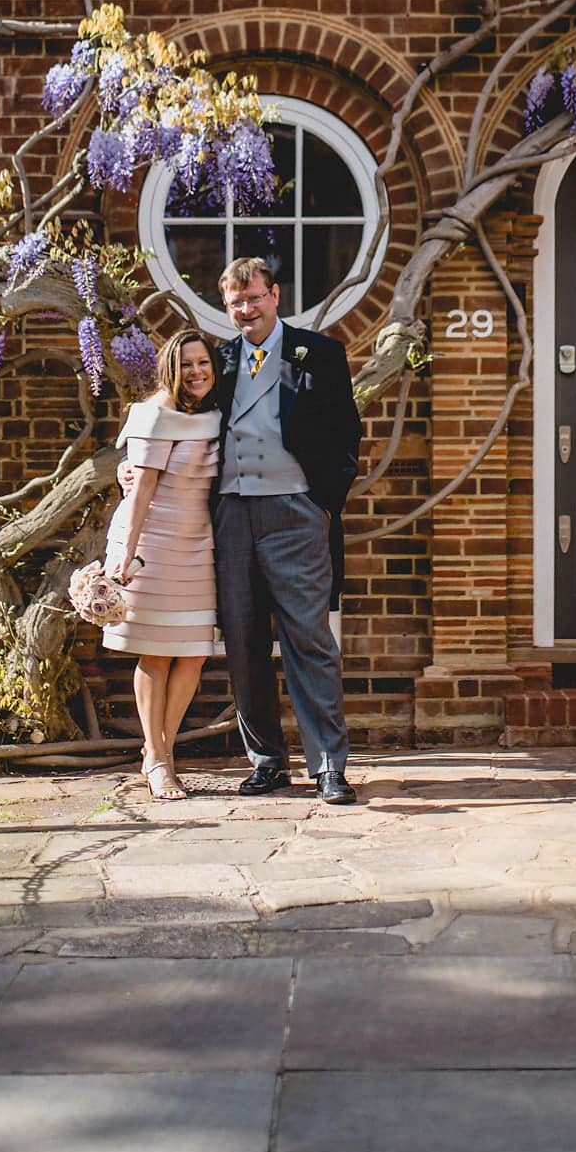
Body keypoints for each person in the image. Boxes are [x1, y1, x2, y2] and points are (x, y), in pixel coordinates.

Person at [212, 256, 363, 805]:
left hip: (295, 511)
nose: (246, 310)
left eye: (253, 298)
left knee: (308, 638)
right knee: (243, 640)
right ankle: (267, 761)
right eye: (235, 304)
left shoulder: (318, 353)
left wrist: (324, 504)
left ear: (274, 295)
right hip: (231, 512)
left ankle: (328, 765)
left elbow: (348, 431)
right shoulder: (219, 360)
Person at [105, 327, 220, 801]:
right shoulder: (156, 415)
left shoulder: (213, 413)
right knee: (154, 651)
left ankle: (160, 751)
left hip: (196, 544)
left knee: (193, 652)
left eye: (203, 363)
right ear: (170, 369)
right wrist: (126, 554)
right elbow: (143, 491)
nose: (196, 372)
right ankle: (157, 759)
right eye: (186, 364)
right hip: (153, 540)